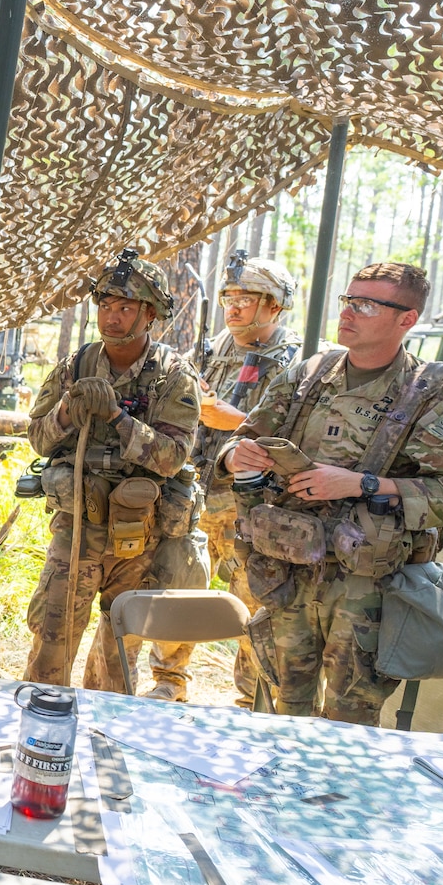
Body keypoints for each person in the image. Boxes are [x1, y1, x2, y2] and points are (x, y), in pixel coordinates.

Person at [221, 262, 443, 726]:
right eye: (348, 301)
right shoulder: (308, 375)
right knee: (281, 710)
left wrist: (364, 484)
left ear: (407, 319)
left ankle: (338, 799)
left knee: (351, 721)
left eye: (367, 305)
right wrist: (233, 457)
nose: (349, 313)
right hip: (288, 572)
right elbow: (239, 442)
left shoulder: (432, 392)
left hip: (367, 590)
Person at [22, 249, 200, 690]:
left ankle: (104, 737)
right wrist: (66, 410)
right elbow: (40, 438)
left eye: (125, 308)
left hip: (138, 536)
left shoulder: (173, 377)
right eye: (105, 306)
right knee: (51, 642)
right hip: (77, 527)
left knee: (118, 650)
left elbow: (172, 457)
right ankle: (39, 726)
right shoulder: (74, 367)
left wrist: (119, 419)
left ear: (150, 315)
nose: (112, 318)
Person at [148, 251, 301, 704]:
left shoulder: (296, 364)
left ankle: (248, 700)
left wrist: (224, 418)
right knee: (180, 584)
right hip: (197, 495)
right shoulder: (213, 350)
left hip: (252, 506)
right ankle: (168, 681)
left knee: (254, 603)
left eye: (246, 299)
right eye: (228, 297)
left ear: (274, 305)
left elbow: (287, 438)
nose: (232, 308)